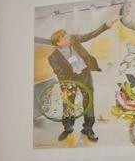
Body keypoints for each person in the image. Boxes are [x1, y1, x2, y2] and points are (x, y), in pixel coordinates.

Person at [46, 8, 118, 143]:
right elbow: (59, 73)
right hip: (69, 80)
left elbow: (91, 35)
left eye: (67, 36)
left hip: (84, 74)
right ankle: (68, 128)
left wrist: (108, 24)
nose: (69, 37)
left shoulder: (74, 39)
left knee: (88, 100)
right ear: (58, 42)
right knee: (68, 103)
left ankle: (88, 128)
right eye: (65, 37)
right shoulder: (53, 58)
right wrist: (68, 87)